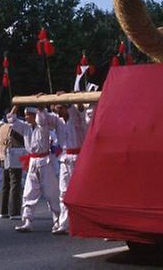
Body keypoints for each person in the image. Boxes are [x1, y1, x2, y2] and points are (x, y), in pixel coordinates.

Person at [6, 106, 61, 233]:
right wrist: (16, 106)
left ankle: (57, 220)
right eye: (25, 115)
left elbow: (41, 119)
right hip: (32, 162)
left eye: (28, 115)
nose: (26, 117)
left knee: (51, 193)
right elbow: (12, 120)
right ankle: (27, 221)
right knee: (29, 192)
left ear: (34, 115)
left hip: (45, 162)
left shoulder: (43, 126)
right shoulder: (25, 127)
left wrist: (40, 107)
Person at [46, 97, 92, 235]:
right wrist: (42, 107)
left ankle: (89, 223)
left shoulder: (76, 118)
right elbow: (44, 119)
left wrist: (69, 99)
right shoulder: (57, 121)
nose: (57, 112)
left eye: (60, 108)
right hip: (64, 160)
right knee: (63, 193)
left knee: (84, 192)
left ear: (67, 107)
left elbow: (79, 112)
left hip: (79, 159)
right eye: (56, 109)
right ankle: (63, 224)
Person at [0, 117, 25, 220]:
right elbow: (22, 140)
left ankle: (3, 210)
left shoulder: (2, 127)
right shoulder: (14, 127)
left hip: (3, 156)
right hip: (14, 155)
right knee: (15, 183)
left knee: (5, 184)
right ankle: (14, 211)